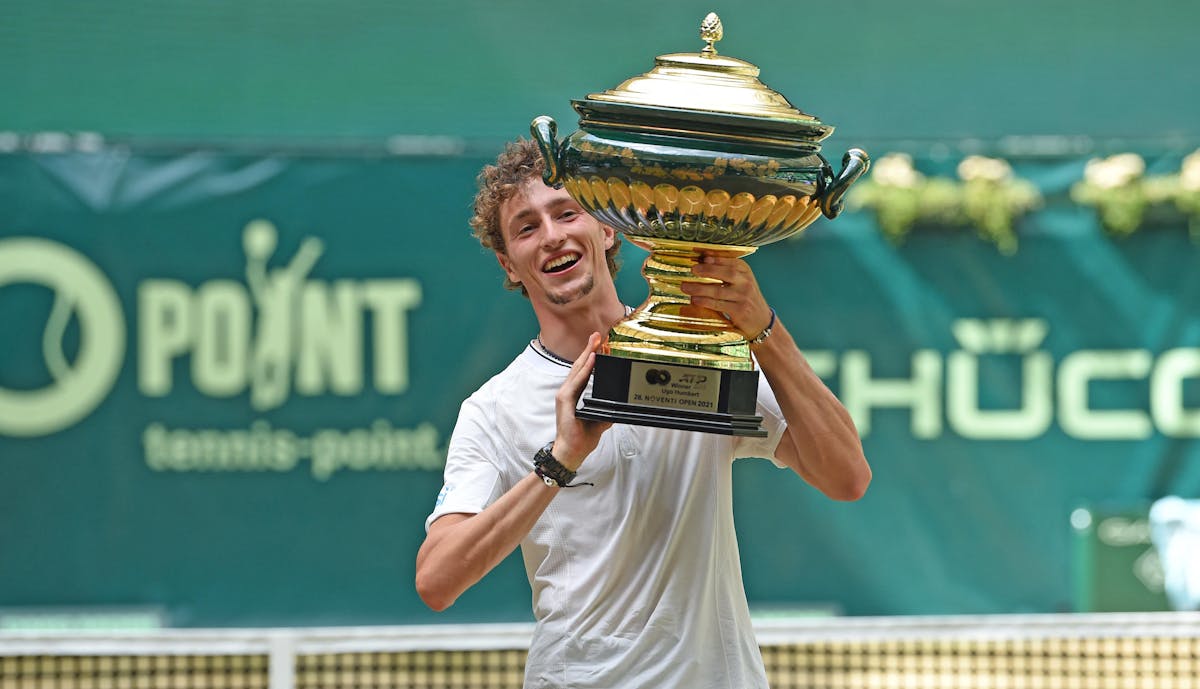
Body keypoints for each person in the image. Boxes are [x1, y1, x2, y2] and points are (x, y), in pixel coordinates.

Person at [416, 139, 871, 689]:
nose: (553, 235)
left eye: (567, 212)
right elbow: (437, 580)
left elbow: (846, 476)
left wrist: (761, 328)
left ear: (608, 228)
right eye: (527, 227)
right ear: (508, 263)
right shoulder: (493, 409)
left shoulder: (700, 352)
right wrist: (559, 462)